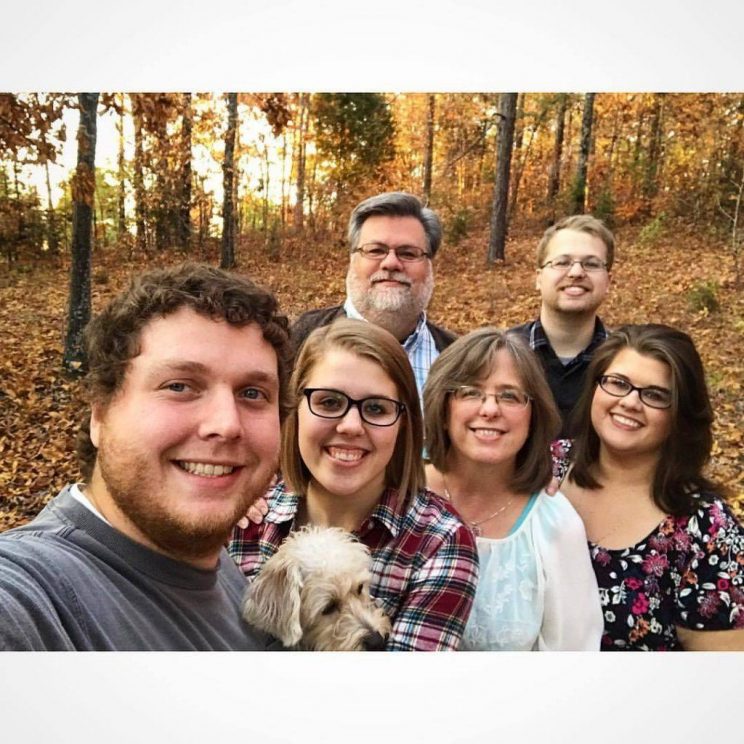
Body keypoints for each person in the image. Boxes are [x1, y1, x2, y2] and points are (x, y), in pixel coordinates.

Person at [0, 263, 290, 651]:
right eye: (179, 386)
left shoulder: (223, 574)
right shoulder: (37, 599)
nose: (227, 424)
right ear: (100, 415)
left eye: (253, 393)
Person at [229, 318, 479, 651]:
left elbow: (401, 693)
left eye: (376, 408)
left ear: (403, 424)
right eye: (329, 402)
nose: (350, 426)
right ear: (294, 409)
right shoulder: (243, 520)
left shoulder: (440, 541)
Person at [561, 324, 744, 650]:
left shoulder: (706, 527)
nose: (630, 402)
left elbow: (724, 675)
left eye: (655, 395)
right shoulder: (541, 468)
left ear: (681, 415)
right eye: (618, 383)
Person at [423, 327, 603, 651]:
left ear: (533, 415)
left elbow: (575, 658)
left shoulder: (555, 525)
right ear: (443, 405)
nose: (490, 409)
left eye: (509, 395)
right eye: (470, 391)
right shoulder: (398, 494)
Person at [290, 191, 455, 400]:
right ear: (352, 260)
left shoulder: (459, 359)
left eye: (408, 253)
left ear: (430, 266)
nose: (391, 263)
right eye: (376, 250)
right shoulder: (295, 341)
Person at [510, 215, 614, 436]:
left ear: (608, 282)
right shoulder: (503, 355)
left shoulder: (625, 362)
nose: (576, 272)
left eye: (592, 264)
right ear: (538, 278)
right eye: (562, 262)